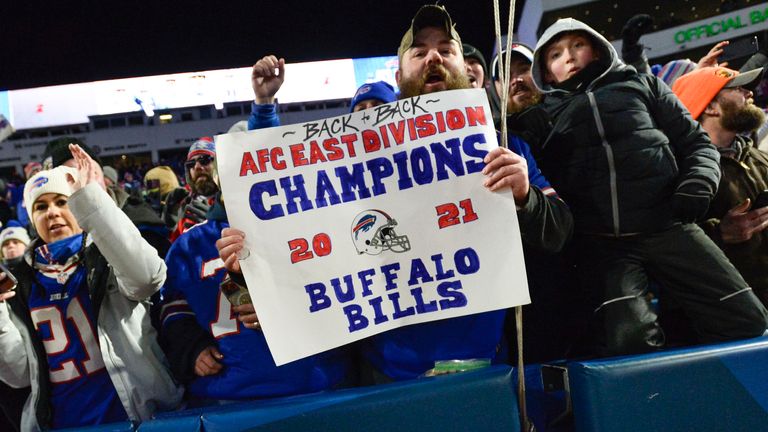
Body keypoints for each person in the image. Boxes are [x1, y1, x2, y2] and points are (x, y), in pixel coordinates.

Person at [219, 5, 573, 381]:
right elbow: (311, 238)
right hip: (383, 376)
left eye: (446, 50)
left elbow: (560, 232)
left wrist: (525, 197)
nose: (433, 56)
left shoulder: (503, 146)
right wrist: (256, 267)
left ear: (465, 69)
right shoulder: (354, 158)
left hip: (488, 369)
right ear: (399, 74)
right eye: (419, 52)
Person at [529, 18, 768, 356]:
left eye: (576, 46)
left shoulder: (643, 85)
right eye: (555, 53)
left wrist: (698, 183)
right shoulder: (542, 118)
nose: (568, 56)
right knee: (632, 342)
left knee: (747, 320)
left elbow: (696, 143)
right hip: (606, 247)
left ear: (596, 49)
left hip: (670, 227)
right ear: (547, 73)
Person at [0, 146, 181, 430]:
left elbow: (148, 278)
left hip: (136, 417)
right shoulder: (19, 280)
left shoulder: (107, 254)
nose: (53, 213)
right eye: (41, 206)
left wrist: (94, 205)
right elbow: (19, 373)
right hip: (63, 423)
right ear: (32, 219)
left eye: (62, 201)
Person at [673, 66, 768, 307]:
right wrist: (719, 234)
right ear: (711, 107)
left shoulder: (757, 157)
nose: (749, 93)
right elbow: (664, 243)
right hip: (731, 309)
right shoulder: (678, 169)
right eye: (737, 88)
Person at [165, 138, 219, 242]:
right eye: (191, 164)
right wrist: (171, 230)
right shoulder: (186, 206)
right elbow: (177, 253)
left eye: (205, 160)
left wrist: (217, 227)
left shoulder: (232, 201)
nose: (197, 167)